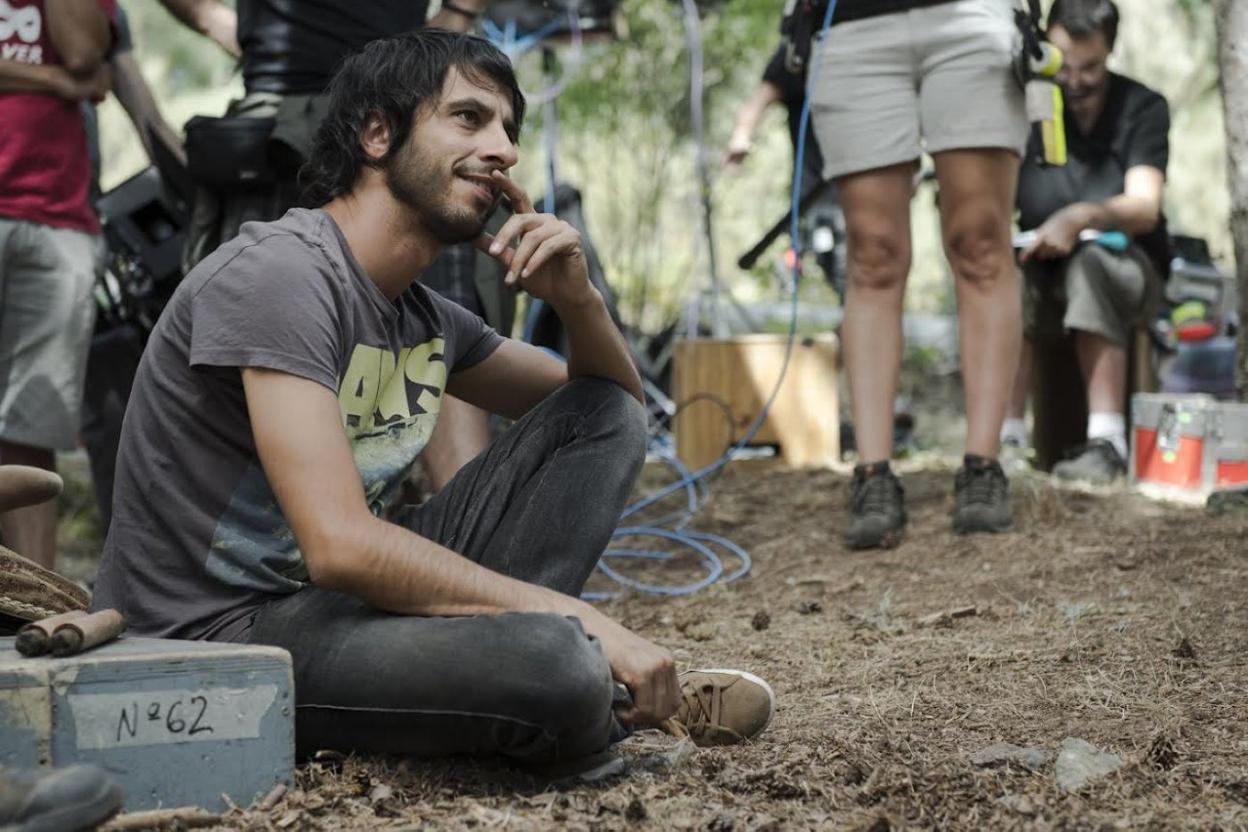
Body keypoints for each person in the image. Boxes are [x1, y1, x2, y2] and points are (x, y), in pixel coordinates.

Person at [89, 31, 774, 762]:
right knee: (562, 665)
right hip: (227, 638)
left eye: (510, 128)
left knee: (600, 415)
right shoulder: (282, 276)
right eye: (470, 118)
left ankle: (518, 680)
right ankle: (565, 687)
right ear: (377, 134)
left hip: (336, 610)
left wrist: (579, 302)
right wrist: (577, 620)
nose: (504, 149)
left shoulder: (421, 315)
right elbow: (341, 547)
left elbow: (614, 406)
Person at [169, 0, 505, 490]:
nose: (506, 149)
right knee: (254, 355)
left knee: (435, 345)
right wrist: (221, 22)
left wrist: (455, 16)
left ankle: (458, 532)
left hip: (410, 116)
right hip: (282, 124)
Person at [808, 0, 1028, 549]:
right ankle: (874, 474)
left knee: (981, 243)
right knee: (872, 254)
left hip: (971, 20)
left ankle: (983, 466)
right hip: (855, 26)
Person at [1007, 0, 1168, 485]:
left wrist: (1080, 219)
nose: (1074, 81)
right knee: (1001, 275)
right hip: (1037, 264)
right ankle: (1005, 439)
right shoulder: (1025, 110)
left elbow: (1144, 206)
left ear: (1110, 50)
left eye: (1090, 67)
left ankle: (1106, 441)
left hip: (1125, 265)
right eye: (1063, 67)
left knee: (1093, 264)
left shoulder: (1142, 108)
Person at [0, 0, 115, 571]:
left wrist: (68, 74)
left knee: (32, 422)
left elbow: (86, 56)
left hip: (56, 220)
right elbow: (70, 73)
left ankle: (37, 607)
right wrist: (50, 79)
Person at [725, 42, 845, 293]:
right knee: (837, 264)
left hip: (863, 187)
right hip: (814, 195)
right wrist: (741, 135)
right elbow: (762, 96)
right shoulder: (802, 42)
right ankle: (793, 260)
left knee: (859, 265)